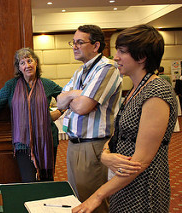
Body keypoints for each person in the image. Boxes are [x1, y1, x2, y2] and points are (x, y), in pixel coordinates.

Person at [72, 24, 177, 213]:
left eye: (122, 51)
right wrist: (105, 155)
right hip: (122, 183)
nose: (116, 57)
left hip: (145, 189)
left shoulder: (157, 91)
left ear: (142, 56)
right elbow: (118, 132)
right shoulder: (136, 89)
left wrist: (97, 196)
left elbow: (141, 161)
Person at [0, 47, 63, 182]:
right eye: (22, 63)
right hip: (23, 144)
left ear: (36, 62)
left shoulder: (47, 84)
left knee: (47, 181)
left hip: (47, 141)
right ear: (19, 67)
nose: (27, 65)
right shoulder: (11, 86)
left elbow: (66, 97)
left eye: (29, 61)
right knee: (29, 181)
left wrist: (59, 112)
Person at [56, 25, 122, 213]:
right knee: (77, 199)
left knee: (94, 203)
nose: (75, 46)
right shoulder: (80, 72)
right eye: (73, 43)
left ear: (96, 46)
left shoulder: (107, 68)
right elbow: (60, 101)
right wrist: (76, 95)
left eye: (80, 42)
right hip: (74, 144)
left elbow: (83, 107)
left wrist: (73, 97)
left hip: (94, 145)